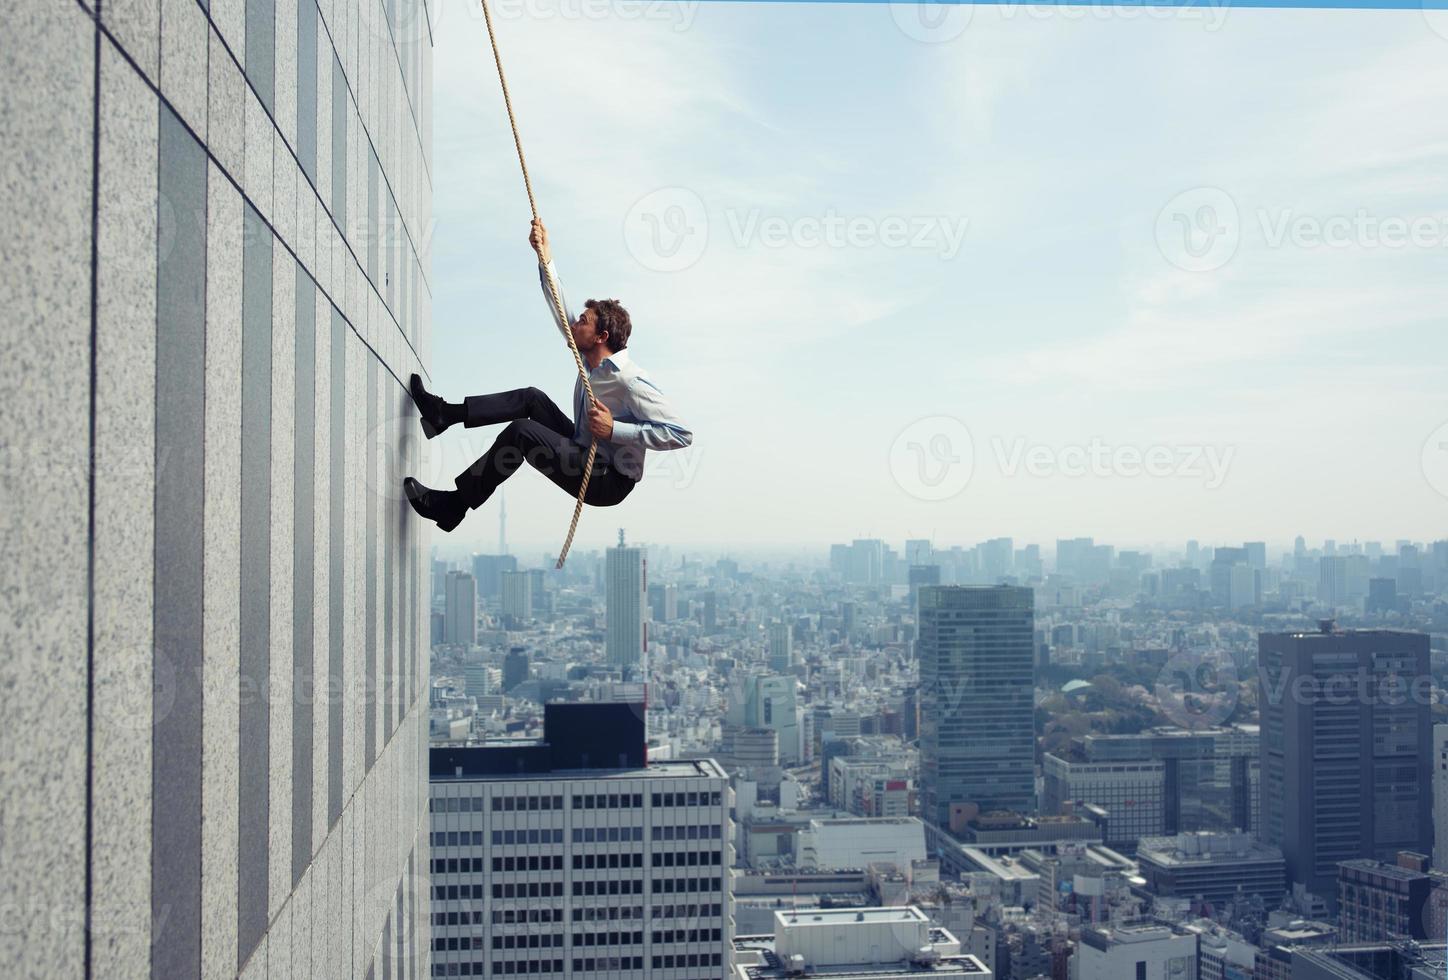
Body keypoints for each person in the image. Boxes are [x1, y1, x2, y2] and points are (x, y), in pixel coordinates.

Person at [402, 219, 693, 532]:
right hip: (582, 448)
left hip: (608, 479)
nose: (575, 323)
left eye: (584, 320)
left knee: (522, 433)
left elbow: (681, 434)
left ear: (601, 336)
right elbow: (560, 307)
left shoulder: (630, 382)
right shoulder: (590, 360)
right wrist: (545, 256)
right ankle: (442, 415)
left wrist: (614, 431)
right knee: (532, 398)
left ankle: (453, 506)